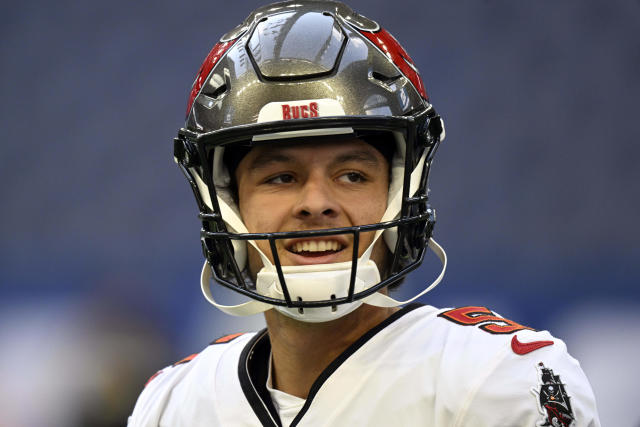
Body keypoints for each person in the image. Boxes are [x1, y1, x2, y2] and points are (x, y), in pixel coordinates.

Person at [129, 1, 600, 426]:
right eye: (280, 177)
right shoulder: (174, 404)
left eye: (352, 175)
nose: (316, 202)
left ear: (402, 192)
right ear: (227, 204)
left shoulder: (494, 382)